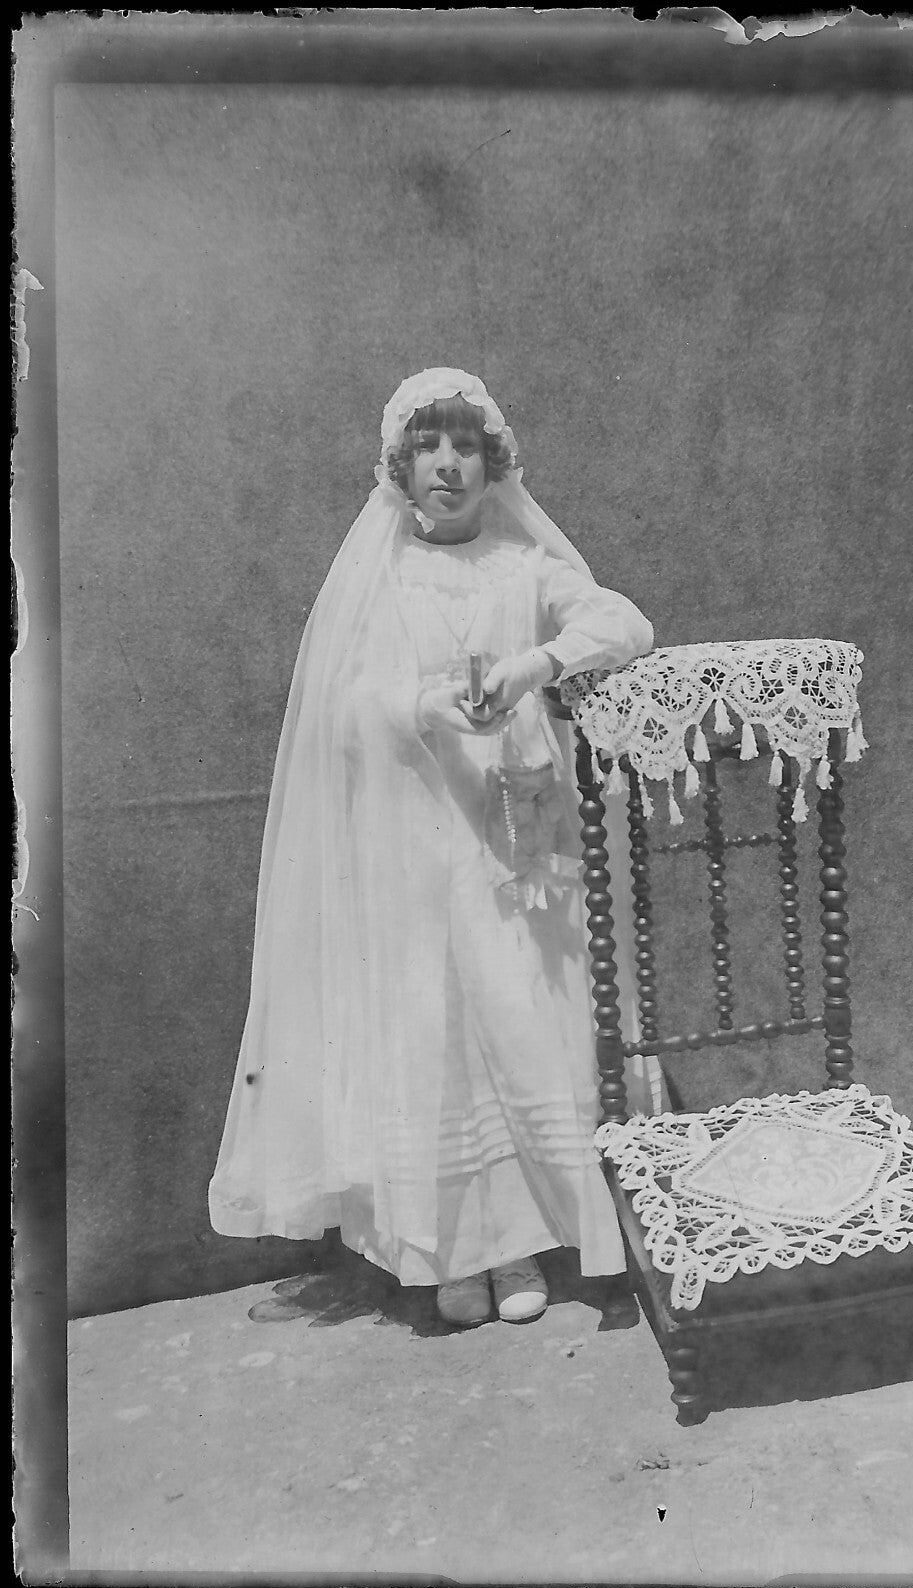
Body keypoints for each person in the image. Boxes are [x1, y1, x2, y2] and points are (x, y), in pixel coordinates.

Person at [209, 368, 658, 1328]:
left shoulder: (523, 565)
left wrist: (539, 662)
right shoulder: (384, 578)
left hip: (513, 837)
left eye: (464, 449)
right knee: (434, 1028)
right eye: (428, 449)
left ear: (493, 466)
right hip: (417, 836)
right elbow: (347, 705)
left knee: (524, 1014)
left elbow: (624, 623)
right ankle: (454, 1252)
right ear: (401, 471)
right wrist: (426, 702)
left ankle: (530, 1245)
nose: (447, 466)